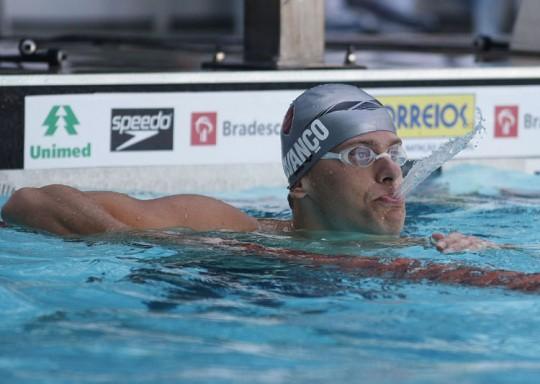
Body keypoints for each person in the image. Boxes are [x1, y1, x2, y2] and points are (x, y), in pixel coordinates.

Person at [1, 84, 492, 253]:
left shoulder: (439, 251)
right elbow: (28, 201)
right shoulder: (236, 230)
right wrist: (147, 241)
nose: (391, 172)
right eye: (361, 154)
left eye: (394, 153)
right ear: (302, 182)